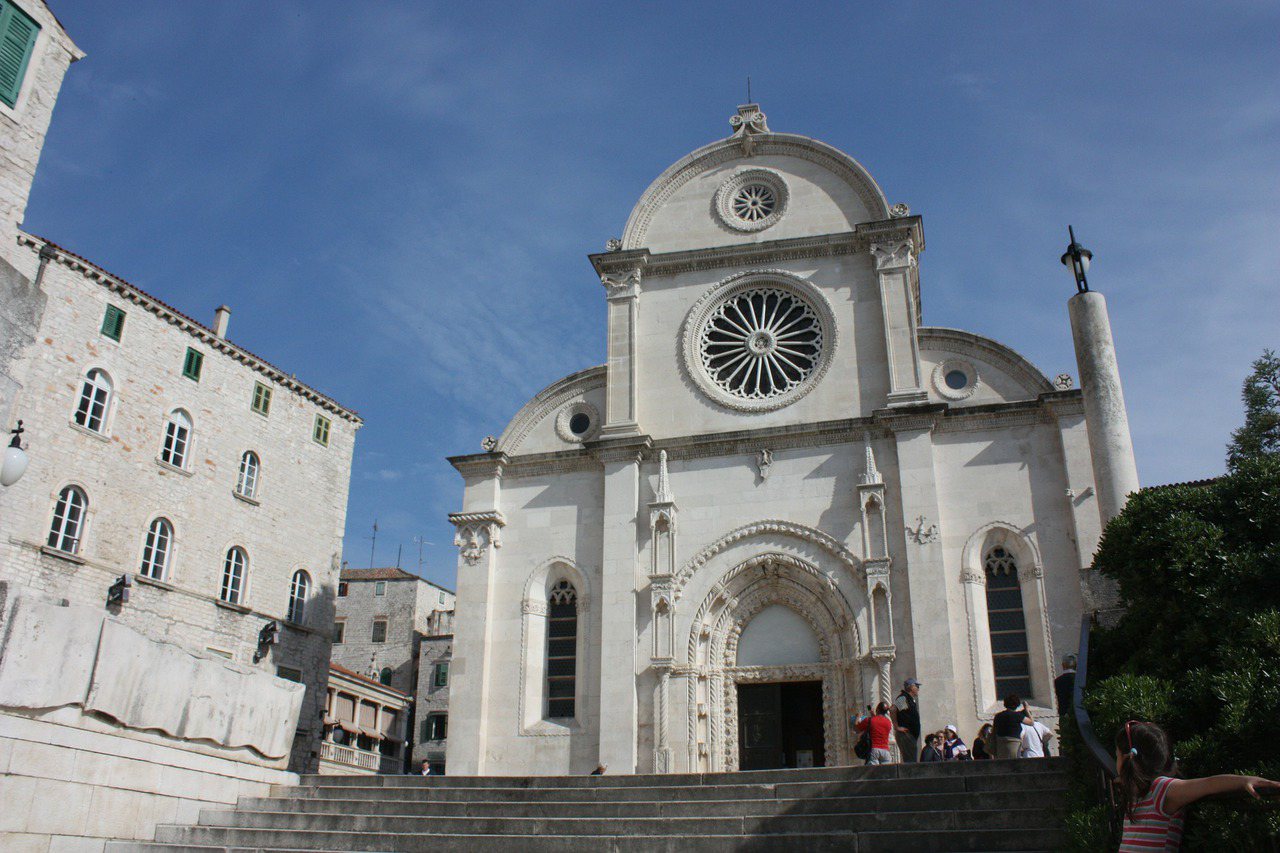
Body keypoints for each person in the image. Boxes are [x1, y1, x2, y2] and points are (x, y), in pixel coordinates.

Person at [1115, 721, 1280, 851]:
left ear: (1125, 759)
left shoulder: (1161, 790)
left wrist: (1244, 781)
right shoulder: (1137, 792)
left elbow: (1208, 784)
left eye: (1116, 756)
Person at [991, 694, 1033, 760]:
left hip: (1000, 743)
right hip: (1014, 742)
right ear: (1017, 705)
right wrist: (1026, 709)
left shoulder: (998, 716)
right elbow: (1031, 722)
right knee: (1014, 764)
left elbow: (994, 730)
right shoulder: (1017, 715)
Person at [891, 677, 922, 764]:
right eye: (917, 686)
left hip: (910, 735)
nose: (918, 689)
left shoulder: (909, 699)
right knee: (910, 761)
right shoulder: (903, 698)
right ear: (911, 687)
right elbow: (893, 709)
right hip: (906, 735)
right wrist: (897, 727)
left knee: (911, 760)